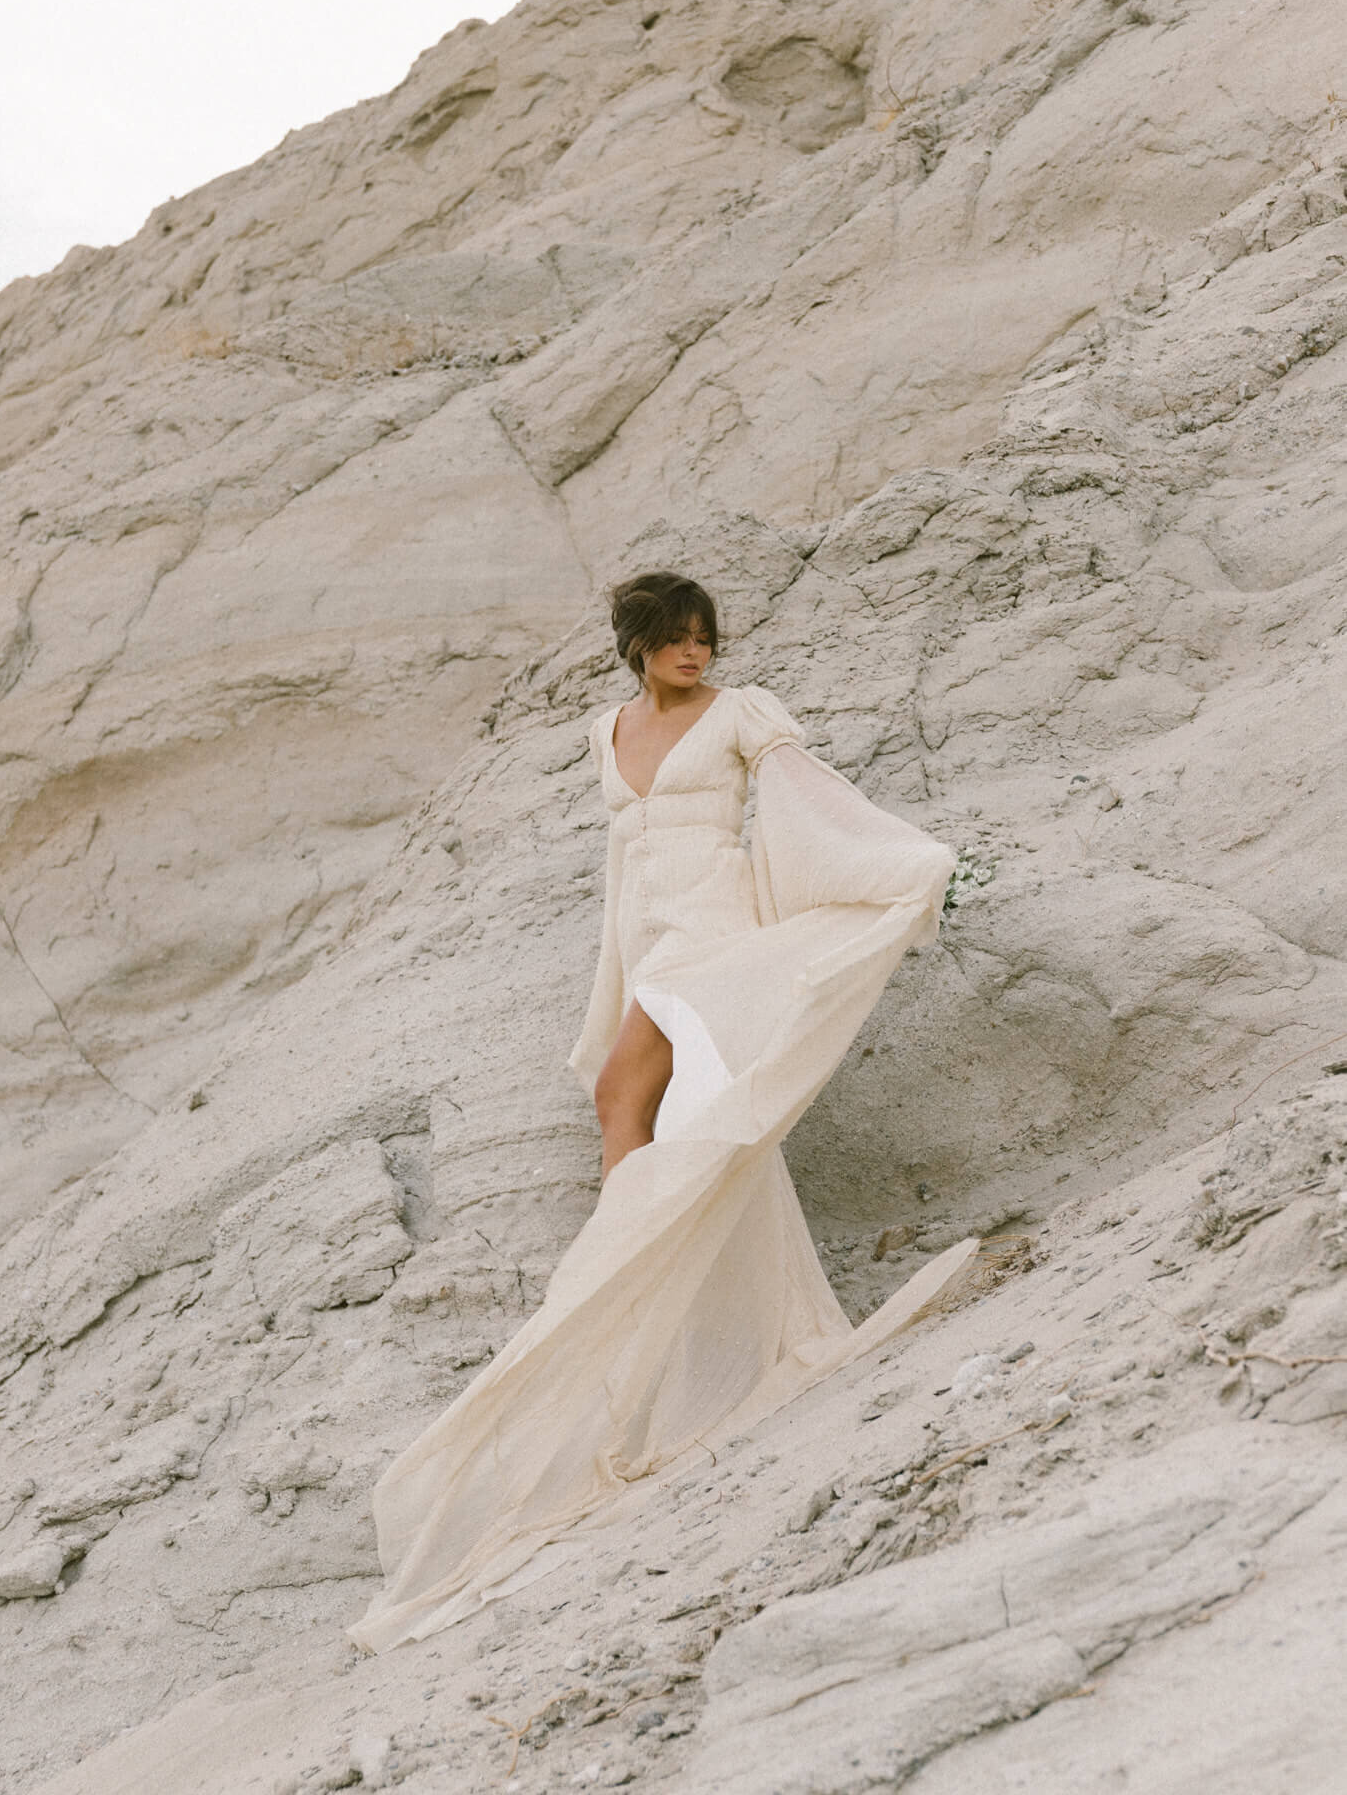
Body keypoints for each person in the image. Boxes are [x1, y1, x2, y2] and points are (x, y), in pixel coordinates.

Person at [348, 571, 972, 1655]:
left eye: (705, 638)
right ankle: (642, 1290)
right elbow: (623, 862)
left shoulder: (743, 713)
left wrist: (897, 863)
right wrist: (614, 976)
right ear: (636, 645)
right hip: (652, 933)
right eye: (677, 640)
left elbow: (807, 802)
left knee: (627, 1097)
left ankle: (615, 1278)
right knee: (635, 1101)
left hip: (718, 924)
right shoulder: (610, 729)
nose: (697, 653)